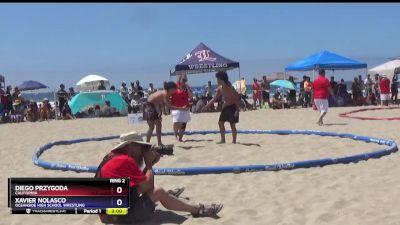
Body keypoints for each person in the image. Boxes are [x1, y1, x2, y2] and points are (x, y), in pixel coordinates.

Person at [96, 131, 223, 224]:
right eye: (142, 147)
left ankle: (170, 197)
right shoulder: (125, 160)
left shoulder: (113, 156)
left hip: (108, 210)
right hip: (115, 217)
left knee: (156, 192)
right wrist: (149, 164)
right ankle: (197, 210)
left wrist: (151, 164)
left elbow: (140, 182)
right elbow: (148, 185)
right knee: (158, 192)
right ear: (131, 146)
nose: (143, 150)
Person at [203, 71, 240, 144]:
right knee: (220, 123)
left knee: (232, 125)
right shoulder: (220, 88)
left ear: (222, 80)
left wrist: (237, 110)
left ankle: (234, 141)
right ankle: (223, 140)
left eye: (218, 79)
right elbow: (214, 98)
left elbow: (237, 98)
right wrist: (207, 105)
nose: (217, 81)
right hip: (226, 106)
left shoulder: (230, 87)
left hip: (233, 106)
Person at [143, 81, 177, 146]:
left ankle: (148, 143)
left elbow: (157, 102)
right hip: (149, 106)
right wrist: (181, 108)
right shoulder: (166, 93)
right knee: (155, 126)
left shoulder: (164, 92)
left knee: (152, 126)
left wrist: (159, 112)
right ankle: (158, 143)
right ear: (170, 89)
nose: (175, 90)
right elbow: (169, 106)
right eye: (174, 89)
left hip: (149, 106)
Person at [170, 74, 192, 142]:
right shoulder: (175, 87)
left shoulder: (186, 87)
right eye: (183, 79)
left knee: (183, 124)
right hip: (176, 107)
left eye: (186, 80)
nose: (185, 81)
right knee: (176, 122)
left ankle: (180, 138)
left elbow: (191, 97)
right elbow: (169, 96)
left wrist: (188, 88)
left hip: (185, 107)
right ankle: (175, 134)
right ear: (179, 79)